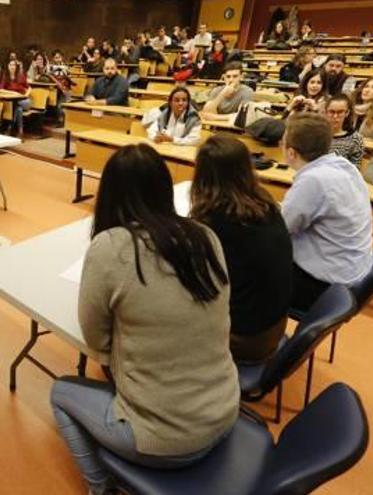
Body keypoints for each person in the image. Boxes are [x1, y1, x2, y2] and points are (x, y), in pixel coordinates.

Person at [50, 143, 238, 495]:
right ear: (163, 188)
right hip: (226, 412)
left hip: (163, 442)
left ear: (110, 194)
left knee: (60, 391)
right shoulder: (205, 236)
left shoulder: (110, 246)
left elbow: (95, 338)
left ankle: (100, 487)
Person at [190, 136, 292, 363]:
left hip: (247, 339)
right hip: (274, 325)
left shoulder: (217, 219)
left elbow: (195, 279)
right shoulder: (264, 202)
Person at [280, 112, 373, 312]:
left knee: (246, 266)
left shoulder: (313, 180)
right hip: (351, 272)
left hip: (325, 287)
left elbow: (280, 229)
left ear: (291, 153)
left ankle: (254, 336)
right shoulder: (344, 165)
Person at [326, 94, 365, 167]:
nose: (335, 116)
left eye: (340, 112)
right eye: (331, 112)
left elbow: (354, 168)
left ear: (347, 113)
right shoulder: (318, 134)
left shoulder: (355, 139)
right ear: (326, 112)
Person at [0, 59, 32, 135]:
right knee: (18, 109)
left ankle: (10, 127)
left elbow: (29, 88)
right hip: (14, 102)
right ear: (8, 66)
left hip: (24, 101)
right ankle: (20, 130)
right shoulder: (5, 76)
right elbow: (1, 90)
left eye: (14, 65)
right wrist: (13, 93)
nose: (12, 67)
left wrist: (26, 95)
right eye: (10, 65)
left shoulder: (20, 76)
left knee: (16, 106)